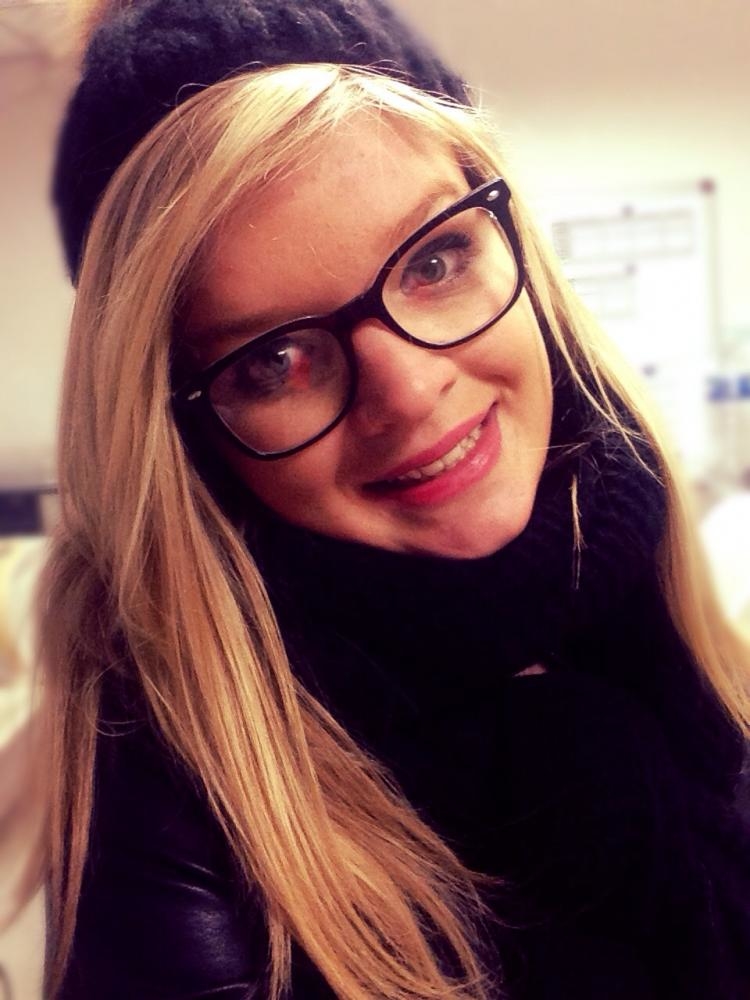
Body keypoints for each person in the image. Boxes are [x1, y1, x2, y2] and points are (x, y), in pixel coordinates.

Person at [39, 0, 750, 997]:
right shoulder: (182, 852)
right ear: (185, 440)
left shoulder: (658, 610)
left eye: (434, 261)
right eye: (274, 360)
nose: (411, 394)